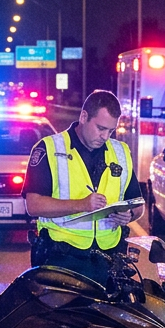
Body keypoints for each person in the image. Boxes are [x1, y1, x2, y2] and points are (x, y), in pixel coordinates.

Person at [22, 90, 144, 286]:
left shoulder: (121, 152)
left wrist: (129, 215)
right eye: (100, 128)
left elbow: (137, 204)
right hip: (62, 258)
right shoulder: (49, 148)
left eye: (110, 131)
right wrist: (81, 204)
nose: (105, 136)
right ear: (84, 117)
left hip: (109, 259)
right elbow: (34, 205)